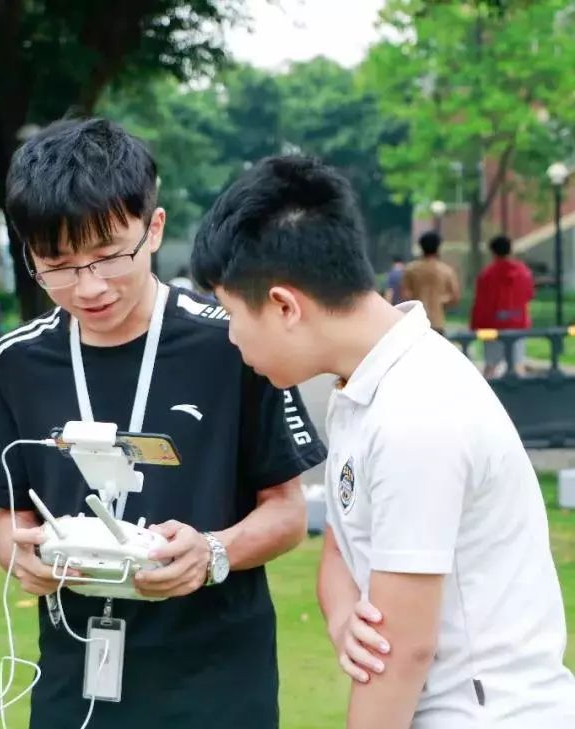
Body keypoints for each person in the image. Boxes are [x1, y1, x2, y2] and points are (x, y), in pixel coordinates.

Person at [191, 154, 575, 729]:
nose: (230, 336)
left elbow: (401, 652)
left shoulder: (414, 415)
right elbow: (344, 544)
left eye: (230, 313)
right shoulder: (365, 381)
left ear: (284, 306)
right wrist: (343, 612)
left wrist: (363, 628)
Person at [0, 118, 326, 728]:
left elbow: (288, 514)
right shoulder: (19, 361)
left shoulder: (233, 342)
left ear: (153, 228)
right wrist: (22, 558)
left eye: (109, 256)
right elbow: (12, 519)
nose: (89, 287)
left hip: (216, 685)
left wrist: (211, 552)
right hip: (74, 684)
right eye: (57, 264)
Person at [470, 235, 535, 378]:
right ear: (510, 250)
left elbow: (480, 303)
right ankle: (519, 390)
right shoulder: (523, 272)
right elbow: (529, 295)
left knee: (491, 365)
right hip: (518, 323)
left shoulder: (487, 275)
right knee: (518, 364)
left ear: (492, 252)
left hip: (493, 325)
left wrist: (475, 326)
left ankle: (488, 390)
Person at [401, 231, 460, 334]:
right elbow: (454, 297)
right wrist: (440, 302)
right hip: (437, 322)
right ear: (438, 247)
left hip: (417, 322)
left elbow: (405, 295)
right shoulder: (446, 271)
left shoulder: (411, 270)